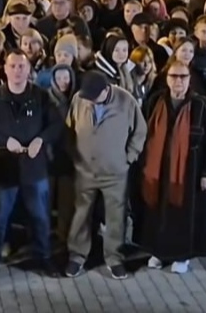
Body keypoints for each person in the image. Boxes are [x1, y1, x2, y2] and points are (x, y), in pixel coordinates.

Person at [0, 49, 63, 282]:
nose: (17, 71)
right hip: (5, 170)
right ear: (5, 69)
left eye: (22, 66)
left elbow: (56, 125)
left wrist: (40, 140)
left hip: (35, 168)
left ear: (29, 69)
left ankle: (44, 259)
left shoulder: (41, 96)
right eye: (12, 66)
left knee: (40, 217)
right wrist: (4, 141)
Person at [63, 71, 147, 280]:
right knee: (81, 214)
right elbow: (69, 128)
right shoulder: (79, 99)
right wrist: (74, 156)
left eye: (94, 96)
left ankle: (114, 258)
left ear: (106, 89)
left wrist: (128, 158)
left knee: (115, 217)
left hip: (115, 172)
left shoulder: (126, 100)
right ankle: (77, 255)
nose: (90, 99)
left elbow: (140, 131)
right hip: (85, 171)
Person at [140, 61, 206, 275]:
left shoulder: (200, 105)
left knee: (182, 216)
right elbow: (143, 134)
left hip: (188, 173)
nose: (179, 81)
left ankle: (182, 256)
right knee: (157, 213)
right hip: (158, 171)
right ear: (166, 79)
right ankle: (158, 252)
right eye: (174, 76)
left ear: (189, 80)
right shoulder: (156, 101)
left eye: (183, 77)